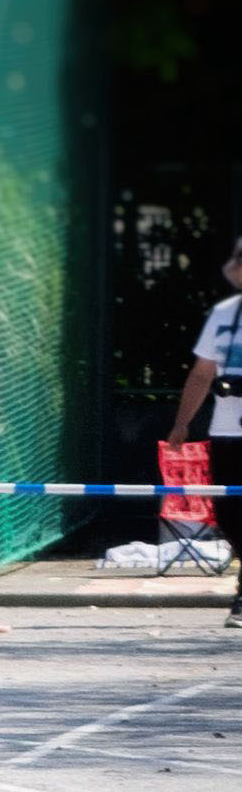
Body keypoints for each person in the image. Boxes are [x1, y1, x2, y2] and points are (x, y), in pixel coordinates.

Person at [163, 232, 242, 628]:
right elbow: (201, 373)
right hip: (228, 428)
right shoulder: (226, 313)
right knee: (228, 511)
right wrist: (182, 423)